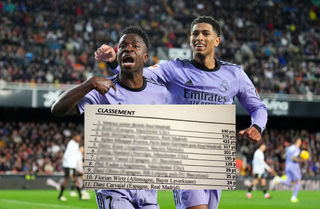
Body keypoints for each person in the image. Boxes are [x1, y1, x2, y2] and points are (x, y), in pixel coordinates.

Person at [95, 15, 268, 209]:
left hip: (215, 157)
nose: (199, 37)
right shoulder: (174, 69)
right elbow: (136, 72)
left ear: (217, 41)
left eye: (205, 33)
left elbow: (258, 107)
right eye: (195, 33)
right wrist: (113, 62)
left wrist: (257, 126)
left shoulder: (235, 74)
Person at [52, 26, 170, 209]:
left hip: (146, 188)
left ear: (145, 58)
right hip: (113, 185)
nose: (128, 48)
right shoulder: (103, 90)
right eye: (122, 45)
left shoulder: (161, 93)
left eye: (135, 46)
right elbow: (57, 109)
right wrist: (89, 83)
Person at [272, 137, 307, 203]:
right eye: (299, 140)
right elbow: (293, 157)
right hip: (294, 166)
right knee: (298, 180)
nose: (300, 142)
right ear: (297, 141)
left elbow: (284, 156)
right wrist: (301, 160)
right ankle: (294, 197)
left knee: (290, 184)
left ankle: (279, 179)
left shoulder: (290, 147)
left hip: (288, 166)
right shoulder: (296, 149)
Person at [58, 134, 85, 201]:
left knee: (76, 179)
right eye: (78, 137)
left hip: (72, 166)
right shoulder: (72, 143)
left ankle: (80, 196)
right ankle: (60, 195)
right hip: (69, 165)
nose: (79, 138)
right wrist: (67, 163)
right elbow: (67, 154)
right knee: (67, 179)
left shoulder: (75, 144)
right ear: (75, 137)